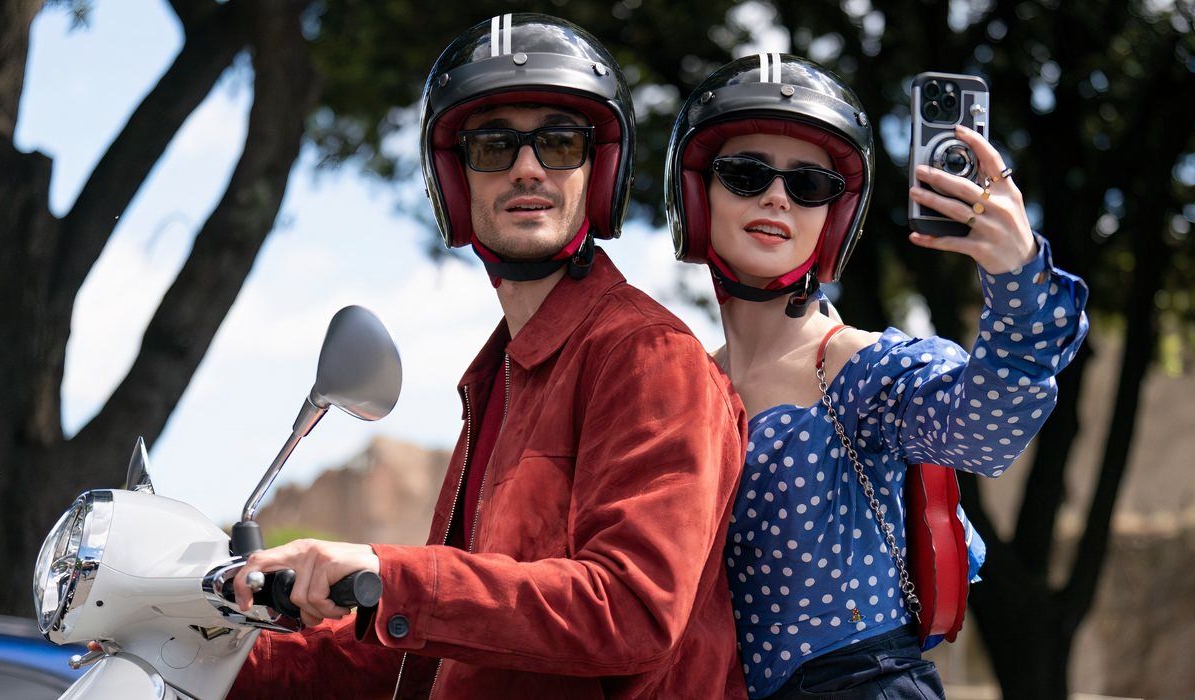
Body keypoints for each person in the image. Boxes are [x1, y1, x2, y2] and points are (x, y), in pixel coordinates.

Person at [227, 14, 747, 698]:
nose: (528, 167)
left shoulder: (649, 357)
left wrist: (390, 573)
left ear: (597, 171)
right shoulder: (501, 375)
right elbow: (423, 651)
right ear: (455, 179)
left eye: (560, 142)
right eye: (494, 145)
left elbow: (631, 612)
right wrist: (217, 655)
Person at [665, 54, 1089, 698]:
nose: (777, 196)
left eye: (810, 184)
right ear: (699, 194)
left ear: (833, 215)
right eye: (746, 174)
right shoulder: (677, 388)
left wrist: (1017, 275)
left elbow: (986, 431)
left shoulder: (867, 372)